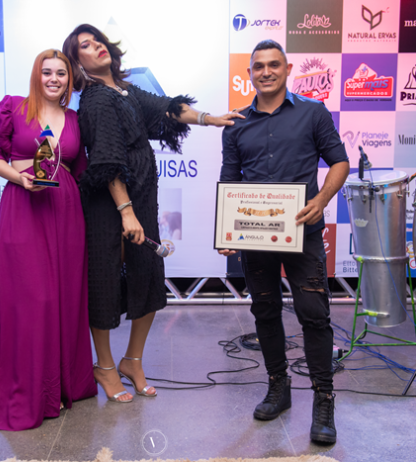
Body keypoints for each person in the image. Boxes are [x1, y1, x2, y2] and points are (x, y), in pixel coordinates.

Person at [62, 24, 244, 403]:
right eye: (85, 46)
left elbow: (168, 108)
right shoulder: (96, 100)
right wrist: (125, 212)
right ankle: (105, 366)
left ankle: (132, 360)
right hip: (110, 205)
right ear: (78, 64)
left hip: (142, 196)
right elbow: (107, 160)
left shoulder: (124, 91)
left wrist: (209, 118)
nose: (97, 46)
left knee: (147, 275)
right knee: (104, 283)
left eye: (97, 40)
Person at [219, 40, 349, 444]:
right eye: (259, 66)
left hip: (303, 232)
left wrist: (321, 200)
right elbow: (230, 180)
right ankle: (278, 386)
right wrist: (226, 229)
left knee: (314, 314)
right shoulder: (236, 122)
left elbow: (340, 162)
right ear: (250, 74)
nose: (267, 72)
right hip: (256, 236)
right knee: (265, 310)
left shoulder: (313, 112)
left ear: (288, 69)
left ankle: (323, 399)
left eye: (274, 65)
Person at [0, 49, 97, 431]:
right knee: (33, 300)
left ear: (69, 80)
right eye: (47, 72)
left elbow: (79, 169)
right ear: (36, 75)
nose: (54, 79)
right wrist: (20, 178)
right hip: (25, 208)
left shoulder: (74, 119)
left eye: (61, 73)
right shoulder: (13, 107)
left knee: (66, 298)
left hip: (67, 213)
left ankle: (62, 386)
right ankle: (29, 393)